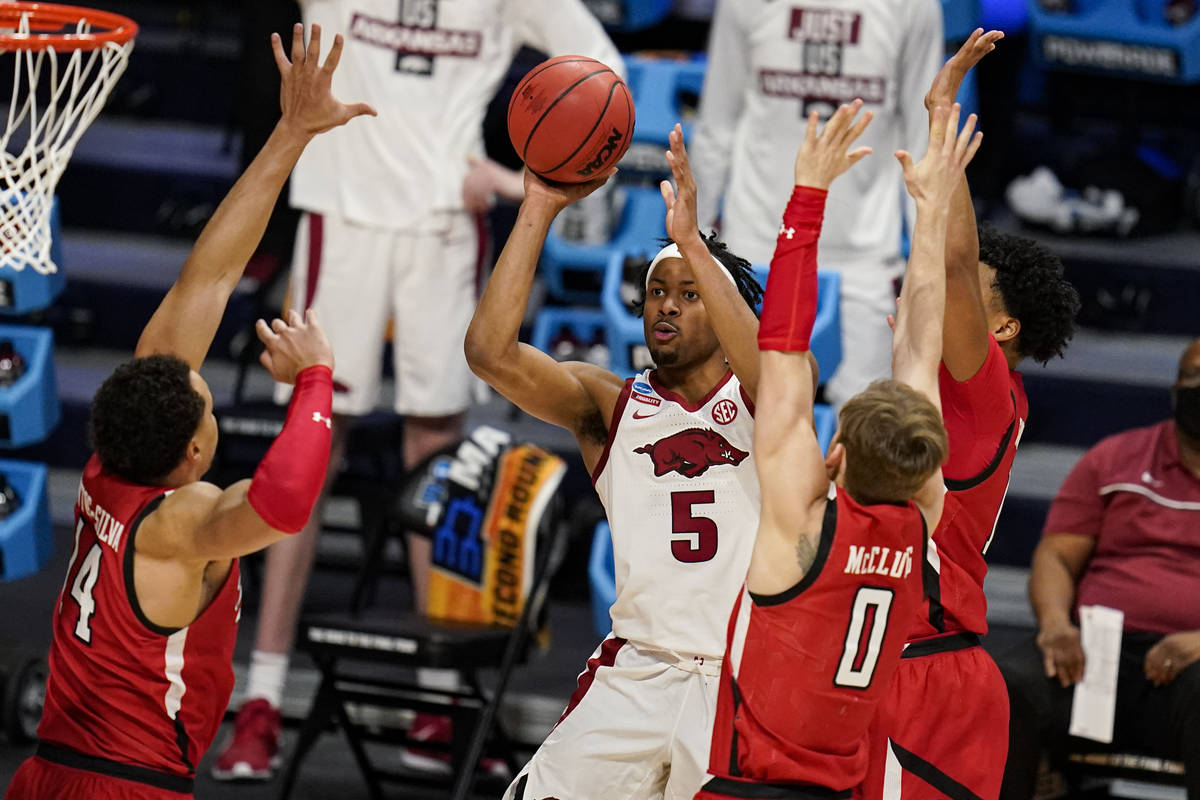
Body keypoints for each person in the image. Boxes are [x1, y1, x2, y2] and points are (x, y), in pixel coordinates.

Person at [215, 0, 623, 780]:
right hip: (343, 209)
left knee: (436, 452)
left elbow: (602, 70)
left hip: (444, 219)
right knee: (308, 446)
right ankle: (261, 697)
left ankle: (438, 699)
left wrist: (514, 174)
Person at [2, 25, 373, 800]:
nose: (198, 386)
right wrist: (315, 380)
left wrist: (291, 134)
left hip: (41, 776)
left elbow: (209, 278)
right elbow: (282, 504)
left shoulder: (110, 467)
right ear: (196, 456)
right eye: (205, 410)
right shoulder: (183, 523)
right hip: (130, 786)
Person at [466, 122, 764, 798]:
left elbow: (775, 374)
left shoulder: (764, 396)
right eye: (659, 292)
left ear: (723, 313)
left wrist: (690, 242)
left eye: (690, 295)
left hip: (745, 679)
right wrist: (538, 207)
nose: (667, 306)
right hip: (639, 670)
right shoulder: (610, 404)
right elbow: (490, 353)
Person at [696, 99, 981, 799]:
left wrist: (808, 195)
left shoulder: (802, 522)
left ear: (837, 457)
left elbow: (785, 352)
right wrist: (931, 211)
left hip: (751, 785)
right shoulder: (924, 521)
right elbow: (920, 347)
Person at [858, 30, 1081, 800]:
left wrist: (941, 116)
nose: (955, 297)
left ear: (1006, 328)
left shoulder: (984, 386)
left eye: (976, 298)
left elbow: (952, 263)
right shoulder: (949, 383)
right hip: (902, 647)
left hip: (931, 662)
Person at [689, 0, 943, 409]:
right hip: (752, 251)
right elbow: (717, 126)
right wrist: (691, 249)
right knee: (731, 429)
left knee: (863, 442)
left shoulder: (912, 6)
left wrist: (928, 273)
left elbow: (921, 145)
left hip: (863, 262)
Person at [995, 337, 1200, 800]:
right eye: (1192, 378)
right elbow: (1056, 555)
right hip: (1094, 652)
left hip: (1193, 663)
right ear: (1173, 391)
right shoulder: (1114, 459)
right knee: (1010, 684)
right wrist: (1054, 625)